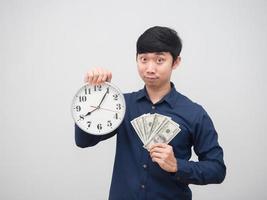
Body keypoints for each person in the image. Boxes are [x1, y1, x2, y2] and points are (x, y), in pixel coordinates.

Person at [75, 26, 226, 200]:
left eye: (160, 60)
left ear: (176, 62)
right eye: (144, 59)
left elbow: (217, 169)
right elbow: (83, 141)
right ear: (136, 59)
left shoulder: (194, 113)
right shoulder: (121, 104)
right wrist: (93, 94)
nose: (150, 68)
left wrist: (177, 165)